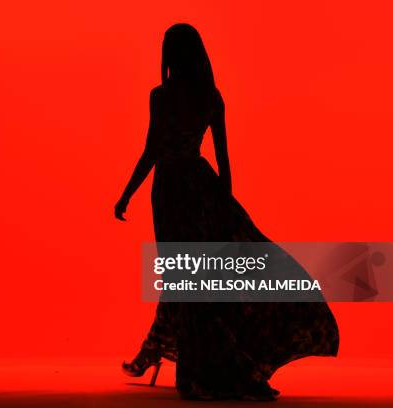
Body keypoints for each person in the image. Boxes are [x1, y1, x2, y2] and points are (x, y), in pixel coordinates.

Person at [114, 23, 339, 401]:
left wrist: (126, 195)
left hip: (170, 192)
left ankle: (170, 357)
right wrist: (225, 210)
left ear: (171, 56)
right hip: (201, 189)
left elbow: (151, 150)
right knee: (193, 280)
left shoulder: (161, 96)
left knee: (185, 279)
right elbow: (223, 159)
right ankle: (155, 352)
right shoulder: (210, 97)